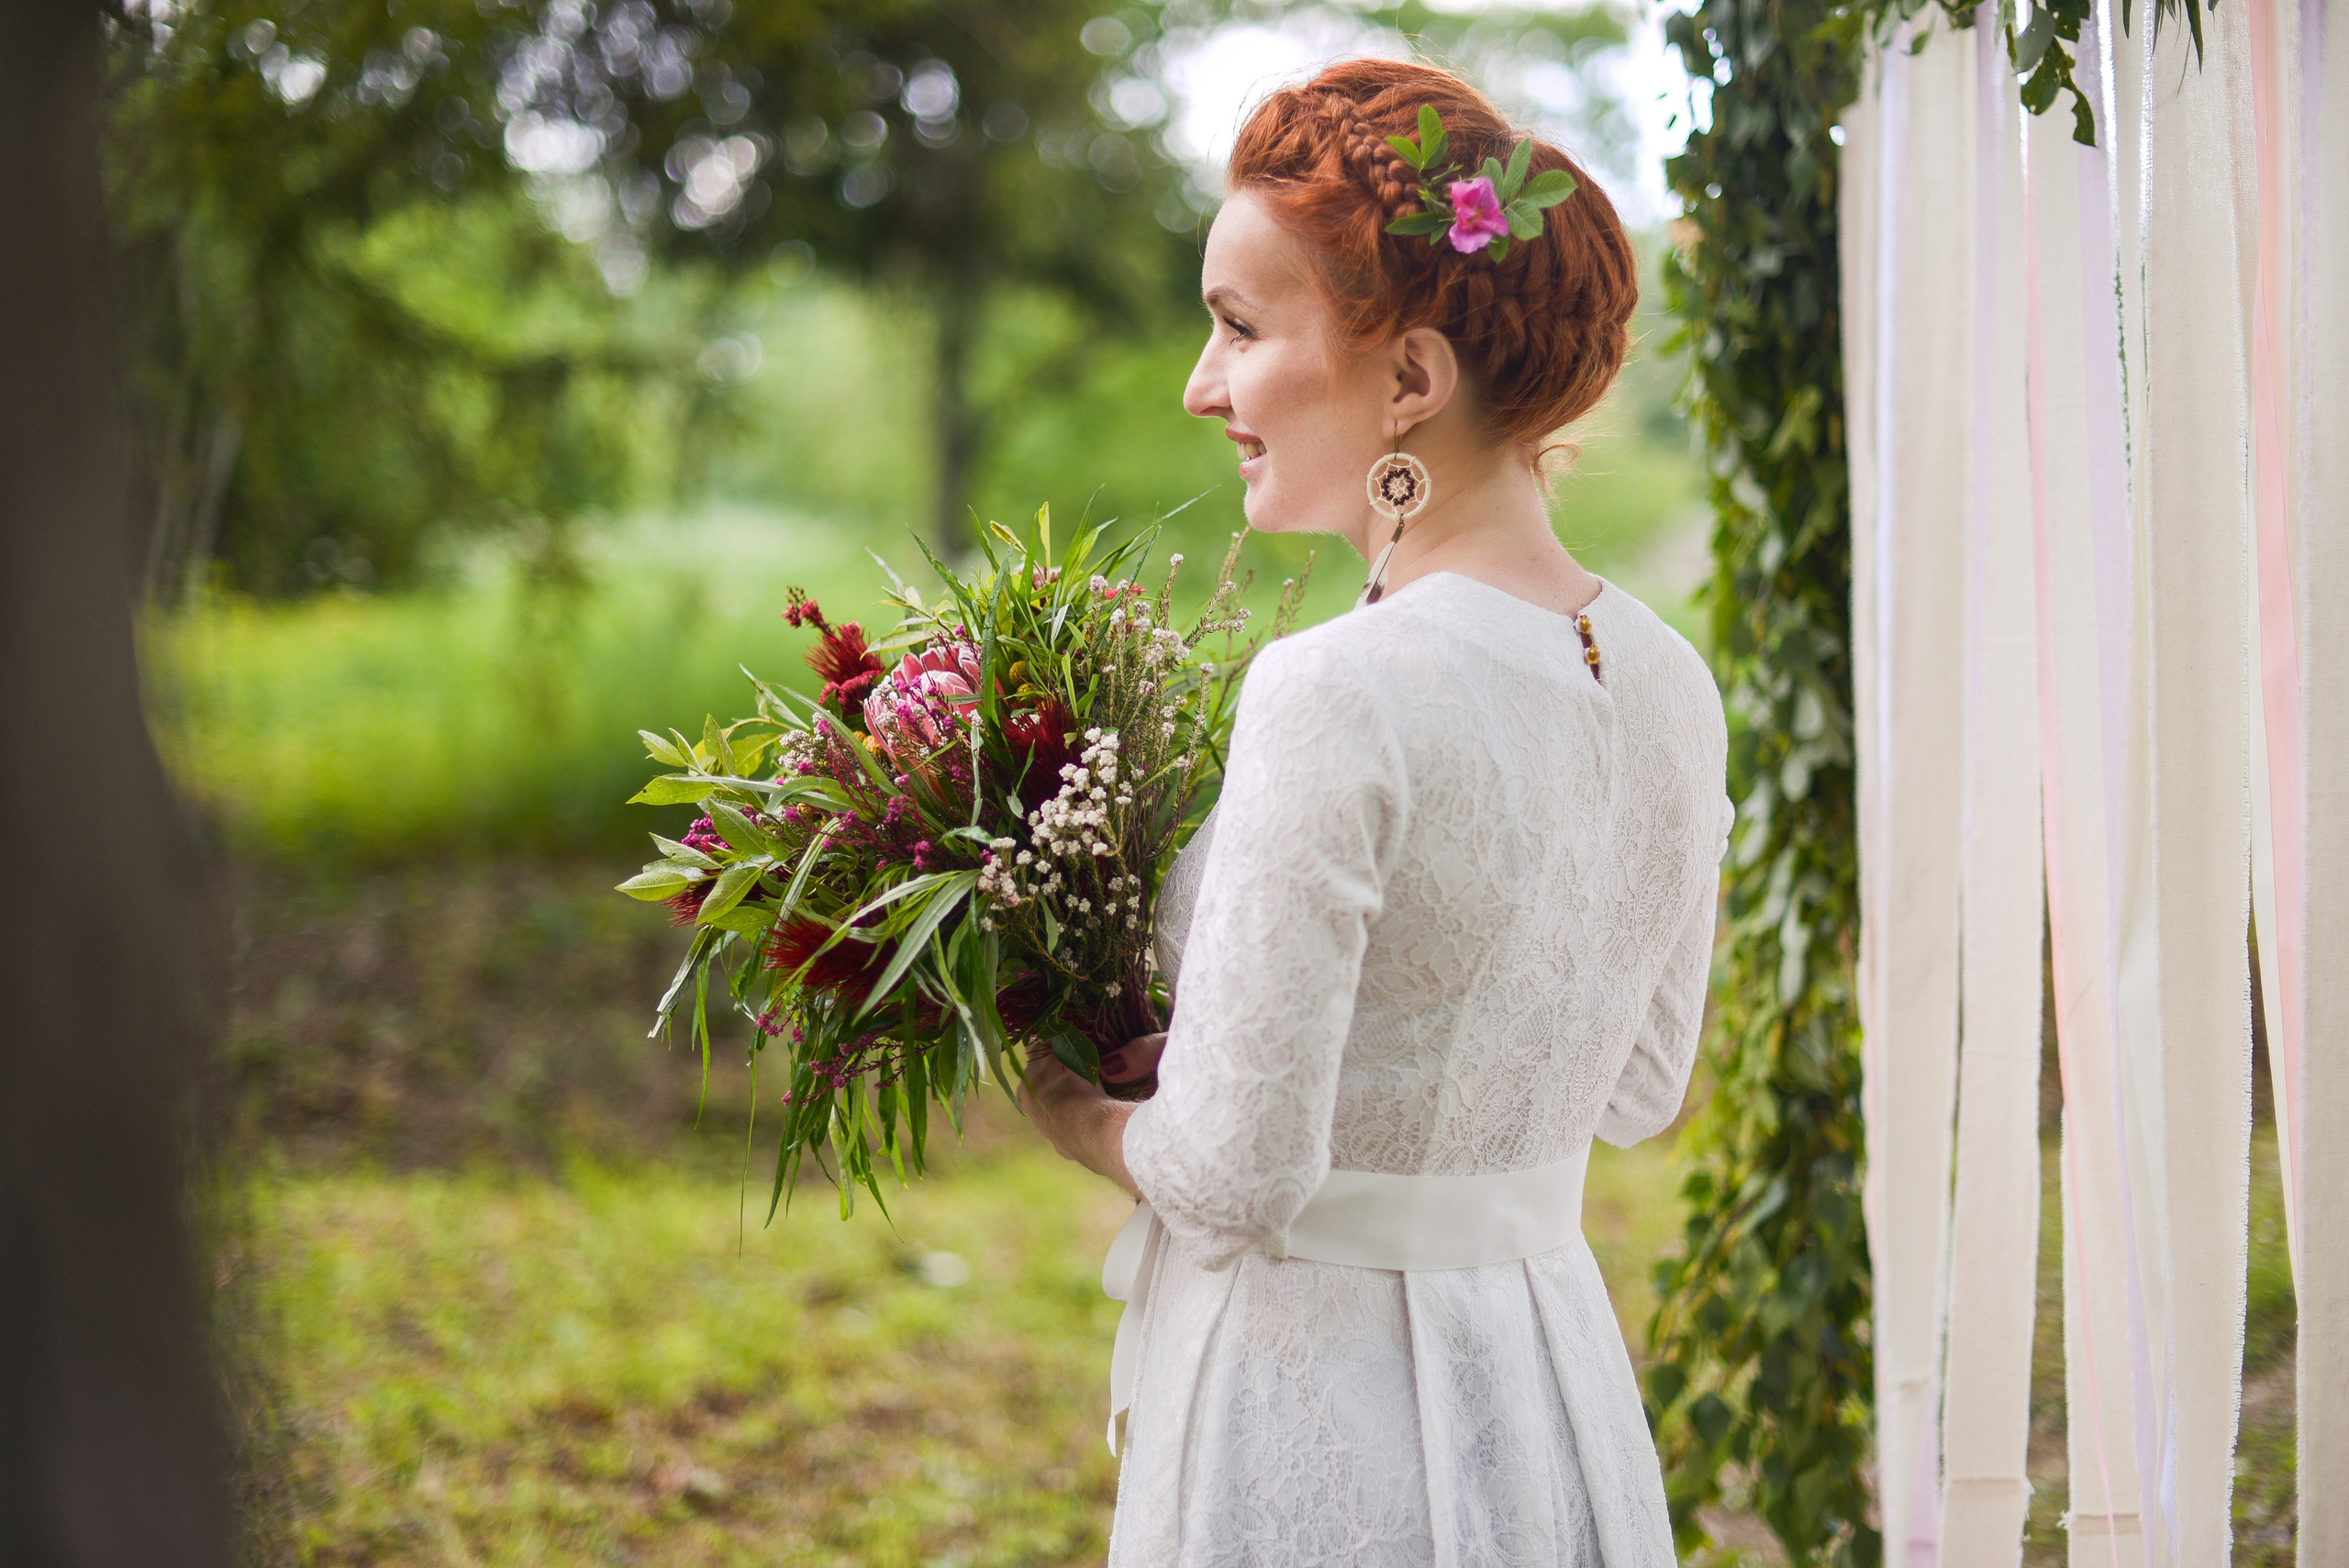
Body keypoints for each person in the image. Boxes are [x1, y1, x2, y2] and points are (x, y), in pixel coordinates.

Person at [1021, 57, 1730, 1567]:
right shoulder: (1671, 682)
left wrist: (1069, 1106)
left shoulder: (1331, 688)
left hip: (1317, 1413)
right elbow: (1639, 1082)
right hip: (1543, 1381)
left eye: (1239, 327)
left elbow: (1230, 1174)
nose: (1202, 385)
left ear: (1410, 380)